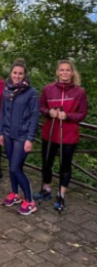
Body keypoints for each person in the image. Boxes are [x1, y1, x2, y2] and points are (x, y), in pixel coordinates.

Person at [35, 60, 88, 213]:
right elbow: (41, 107)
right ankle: (46, 189)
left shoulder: (79, 92)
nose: (64, 73)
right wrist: (48, 112)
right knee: (46, 162)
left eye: (67, 70)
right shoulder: (48, 89)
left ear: (72, 73)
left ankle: (61, 195)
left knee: (65, 166)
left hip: (69, 135)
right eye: (62, 70)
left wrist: (68, 116)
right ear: (57, 72)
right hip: (50, 133)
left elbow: (82, 114)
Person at [0, 59, 40, 216]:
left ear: (24, 75)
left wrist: (30, 138)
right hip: (8, 134)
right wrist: (0, 132)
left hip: (22, 136)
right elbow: (3, 113)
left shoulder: (31, 93)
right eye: (15, 73)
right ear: (11, 73)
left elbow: (34, 117)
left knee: (16, 167)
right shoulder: (6, 90)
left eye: (20, 73)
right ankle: (15, 194)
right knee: (11, 166)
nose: (17, 76)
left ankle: (30, 201)